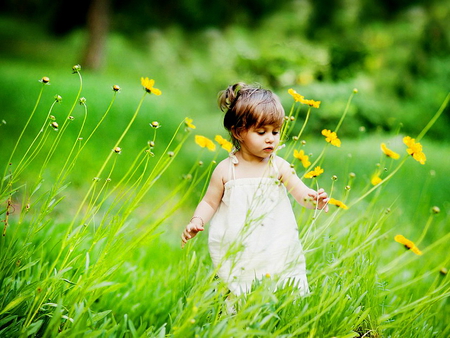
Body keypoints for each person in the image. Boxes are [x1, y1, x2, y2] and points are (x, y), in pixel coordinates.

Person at [181, 82, 329, 297]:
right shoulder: (226, 170)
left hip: (275, 241)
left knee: (281, 280)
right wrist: (197, 221)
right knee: (239, 284)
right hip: (239, 244)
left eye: (275, 131)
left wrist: (314, 199)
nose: (271, 138)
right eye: (261, 132)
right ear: (239, 132)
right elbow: (209, 202)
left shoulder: (278, 166)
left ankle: (280, 309)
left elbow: (300, 192)